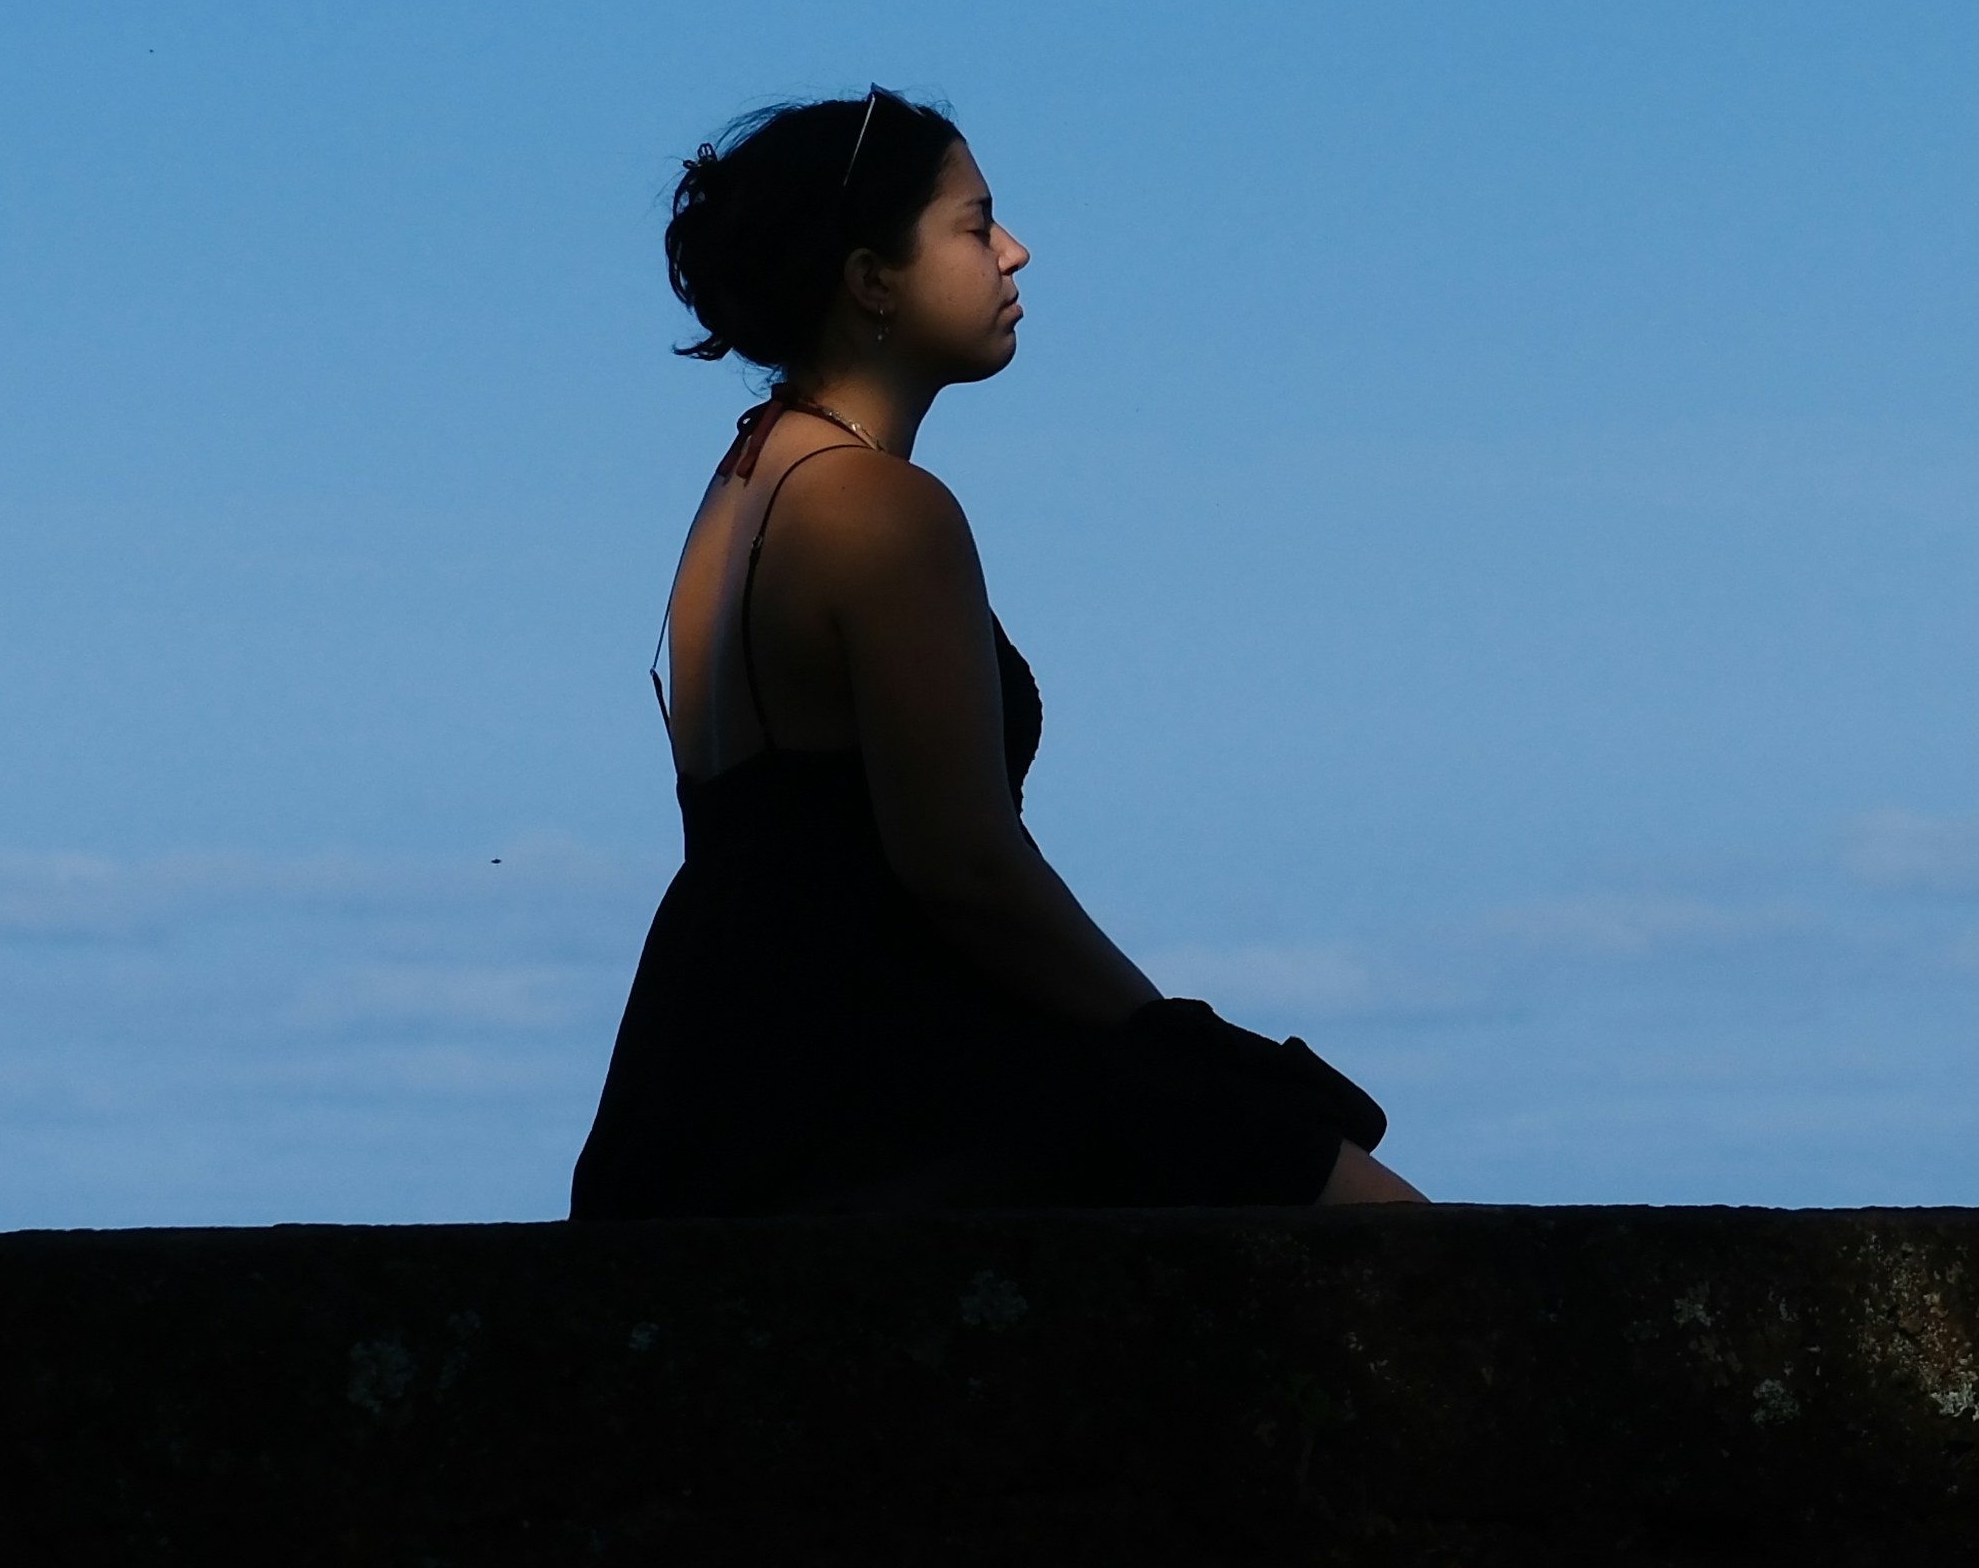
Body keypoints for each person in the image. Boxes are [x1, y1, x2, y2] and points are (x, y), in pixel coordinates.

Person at [568, 93, 1418, 1216]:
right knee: (1393, 1241)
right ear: (874, 278)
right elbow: (961, 863)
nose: (1014, 251)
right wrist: (1175, 1041)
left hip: (713, 1064)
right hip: (878, 1072)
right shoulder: (878, 508)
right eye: (975, 225)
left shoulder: (743, 487)